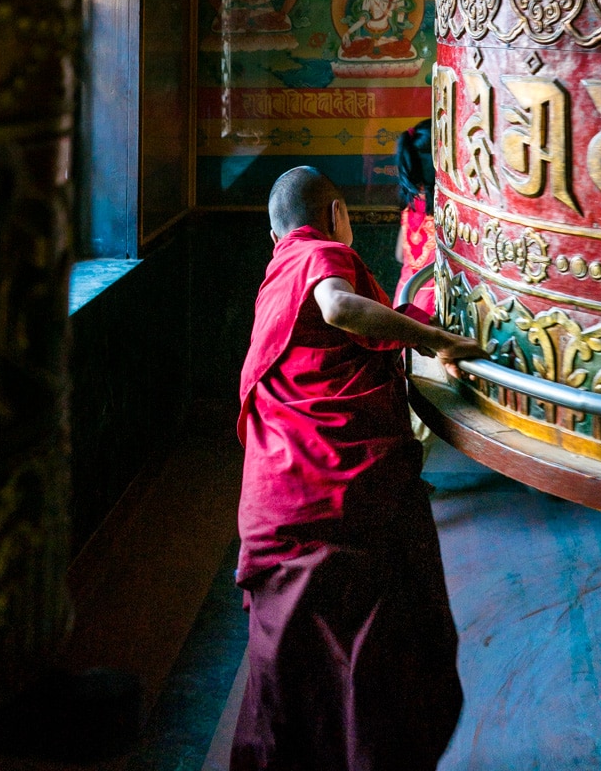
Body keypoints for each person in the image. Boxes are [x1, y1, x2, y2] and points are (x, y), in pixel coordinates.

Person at [231, 164, 479, 771]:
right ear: (336, 214)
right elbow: (340, 308)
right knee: (372, 662)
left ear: (274, 233)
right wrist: (437, 342)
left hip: (280, 498)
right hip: (336, 503)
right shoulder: (319, 255)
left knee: (290, 671)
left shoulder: (276, 272)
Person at [393, 120, 436, 316]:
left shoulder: (411, 202)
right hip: (432, 301)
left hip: (405, 296)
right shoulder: (445, 206)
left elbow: (400, 255)